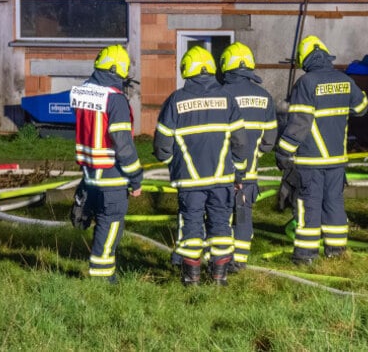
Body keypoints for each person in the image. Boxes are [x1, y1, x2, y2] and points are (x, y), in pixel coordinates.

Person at [153, 46, 250, 286]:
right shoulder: (227, 99)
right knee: (221, 226)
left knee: (191, 226)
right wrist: (238, 170)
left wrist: (173, 163)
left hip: (189, 181)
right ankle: (219, 277)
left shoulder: (176, 100)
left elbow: (161, 145)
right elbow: (240, 141)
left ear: (186, 69)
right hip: (222, 180)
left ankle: (191, 279)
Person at [277, 35, 368, 265]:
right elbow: (362, 107)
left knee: (308, 204)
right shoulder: (345, 80)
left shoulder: (306, 83)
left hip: (310, 160)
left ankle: (305, 256)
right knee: (334, 203)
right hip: (337, 159)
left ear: (305, 60)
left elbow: (300, 122)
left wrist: (284, 151)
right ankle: (336, 252)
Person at [69, 44, 143, 284]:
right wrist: (136, 177)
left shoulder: (82, 92)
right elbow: (123, 144)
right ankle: (102, 278)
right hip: (111, 174)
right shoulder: (116, 99)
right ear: (116, 69)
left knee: (101, 220)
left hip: (90, 173)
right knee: (111, 223)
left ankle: (100, 270)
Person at [218, 42, 278, 273]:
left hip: (221, 172)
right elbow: (269, 140)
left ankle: (219, 259)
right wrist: (255, 154)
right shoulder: (265, 97)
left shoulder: (220, 94)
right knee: (243, 217)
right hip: (250, 173)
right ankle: (240, 261)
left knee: (220, 215)